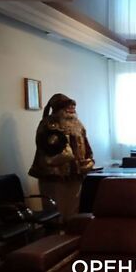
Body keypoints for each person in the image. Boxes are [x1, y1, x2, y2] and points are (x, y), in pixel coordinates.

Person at [29, 93, 94, 222]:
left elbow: (85, 145)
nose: (72, 110)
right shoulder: (48, 125)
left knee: (72, 210)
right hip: (54, 176)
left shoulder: (78, 124)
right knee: (56, 211)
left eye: (73, 107)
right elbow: (47, 150)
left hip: (75, 174)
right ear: (59, 109)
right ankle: (57, 233)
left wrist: (88, 161)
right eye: (68, 107)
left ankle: (70, 232)